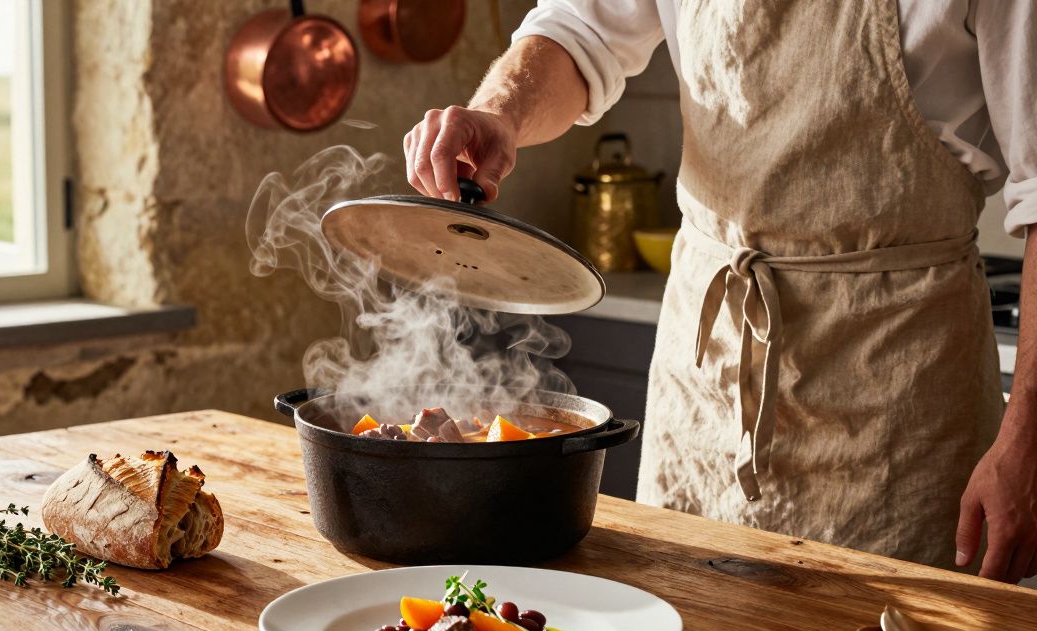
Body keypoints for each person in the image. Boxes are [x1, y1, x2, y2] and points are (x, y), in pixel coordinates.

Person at [402, 0, 1037, 582]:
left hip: (902, 390)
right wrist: (499, 111)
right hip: (707, 377)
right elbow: (580, 30)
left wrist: (1028, 438)